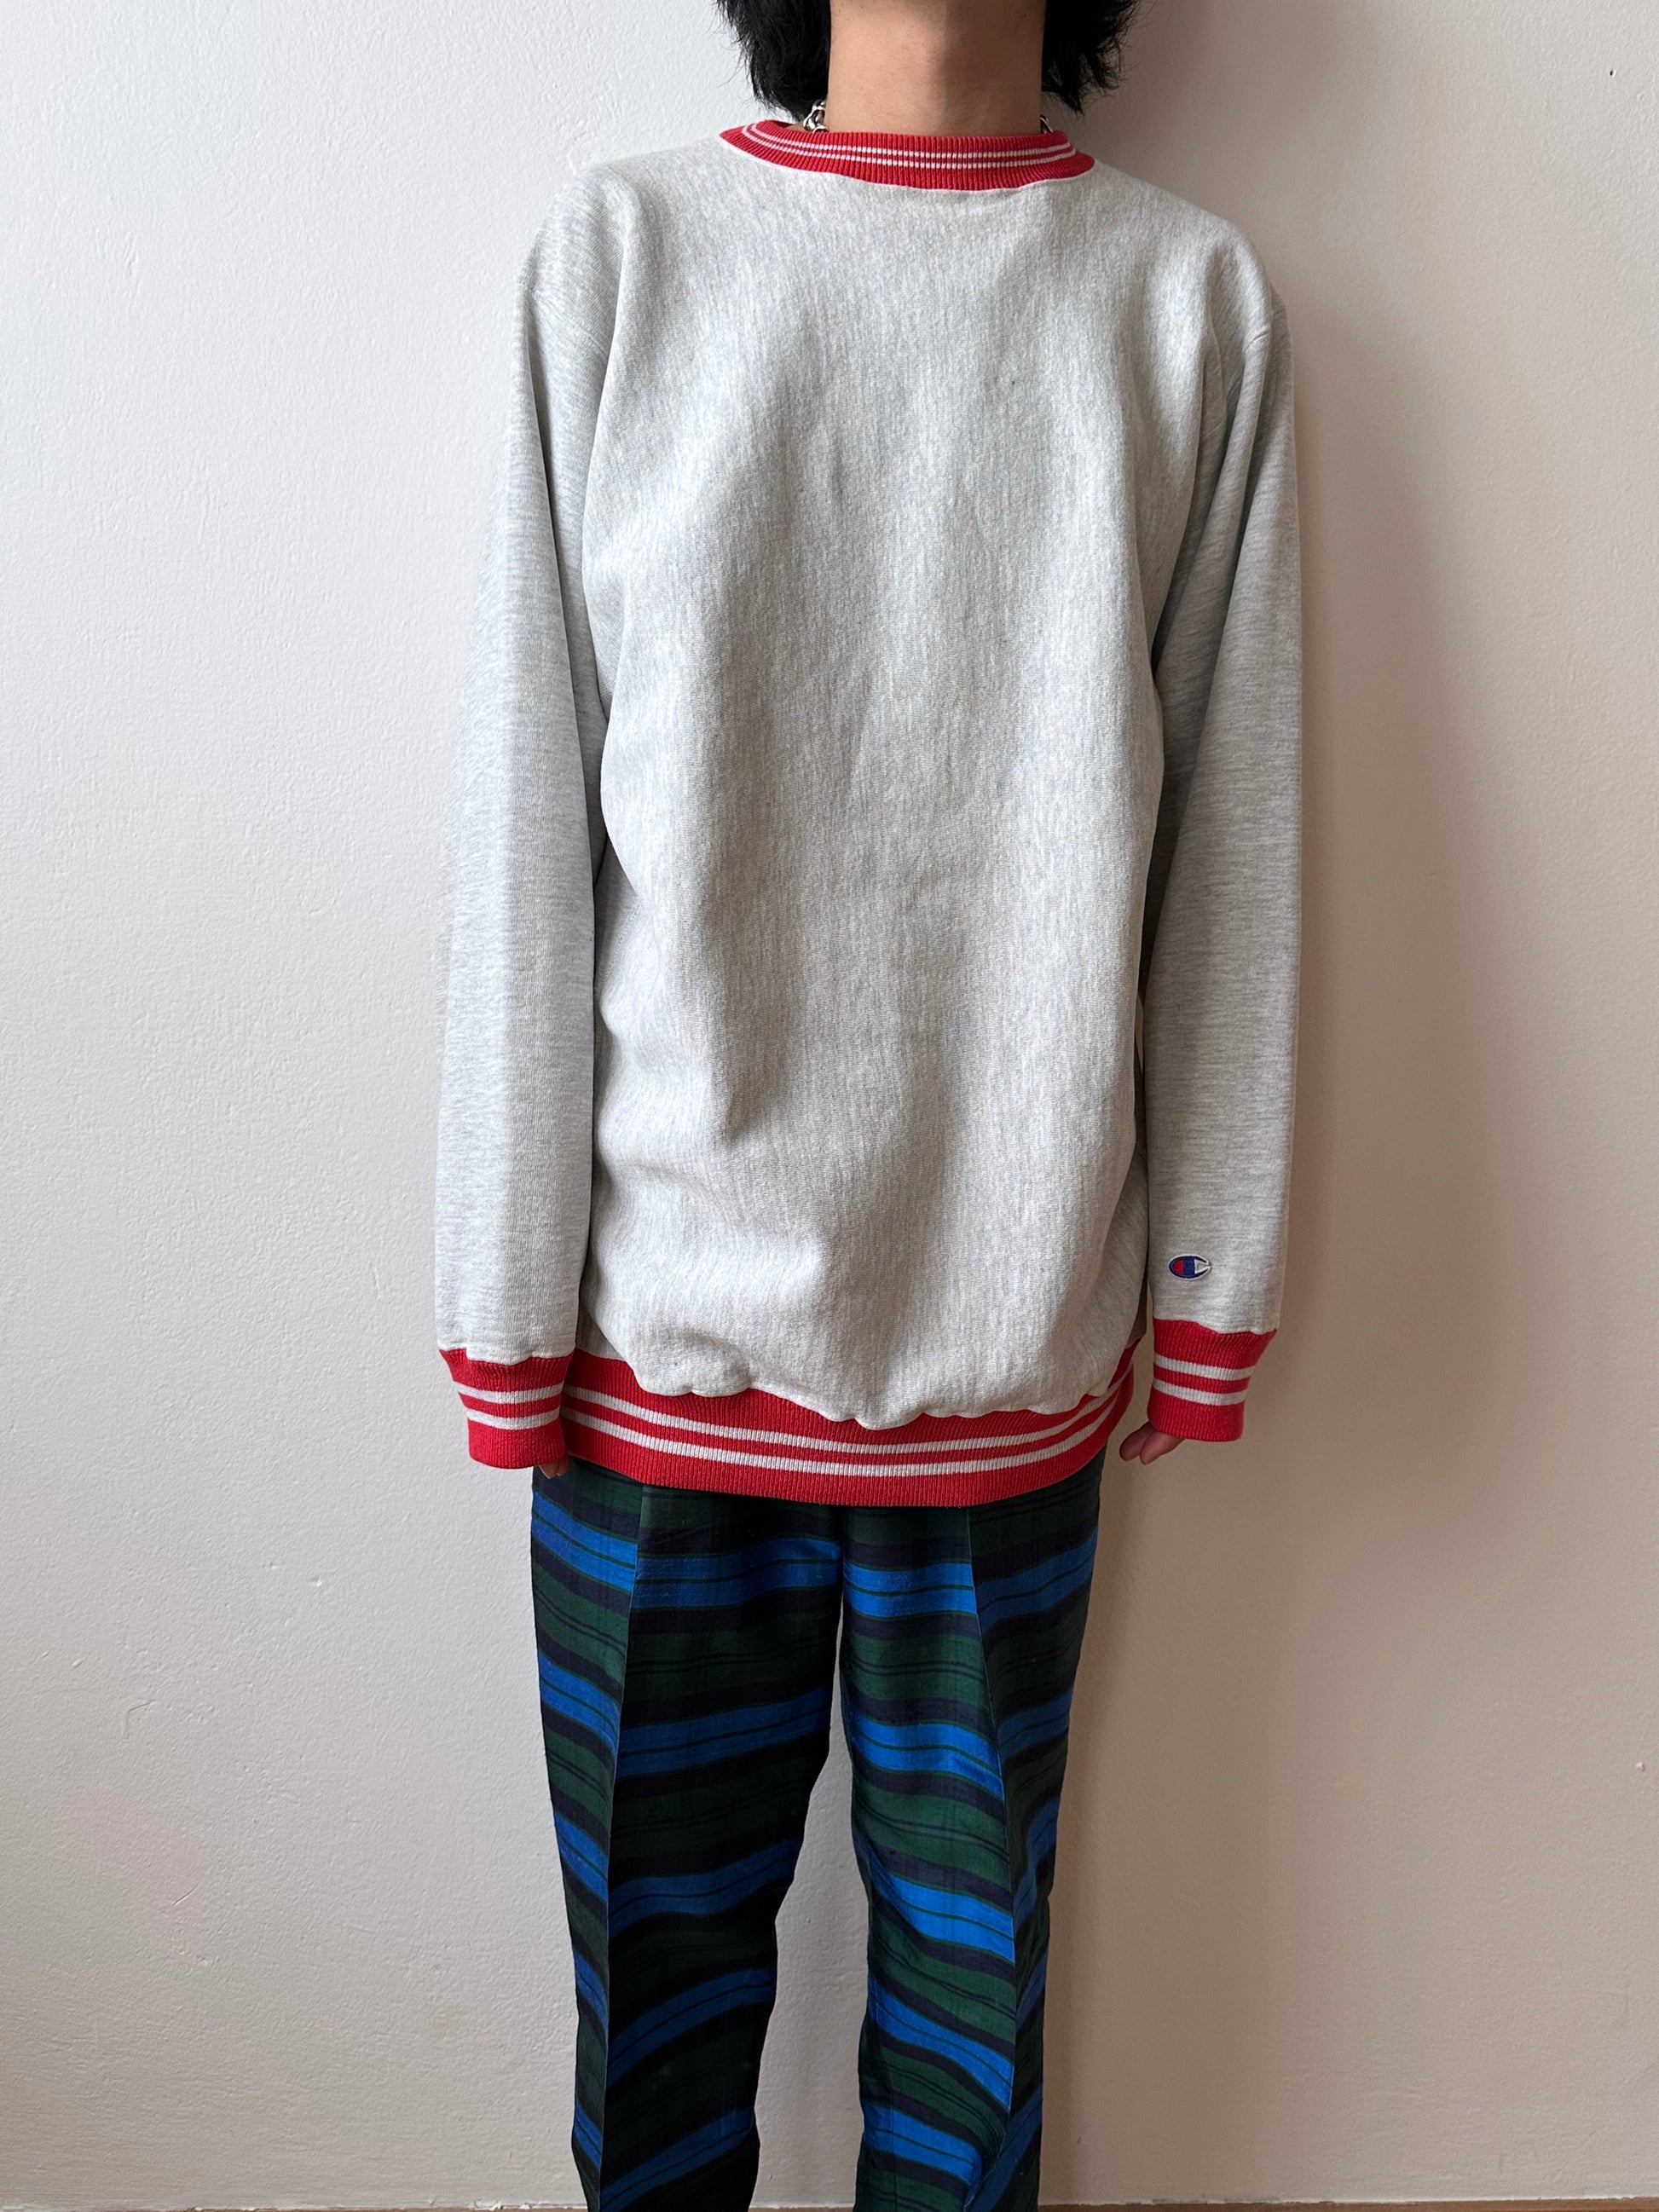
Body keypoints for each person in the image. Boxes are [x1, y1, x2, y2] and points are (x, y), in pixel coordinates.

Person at [433, 0, 1301, 2202]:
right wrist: (501, 1296)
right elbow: (525, 806)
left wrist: (1209, 1278)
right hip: (654, 1369)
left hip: (1007, 1349)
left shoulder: (1183, 304)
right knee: (647, 2045)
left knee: (969, 2061)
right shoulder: (622, 261)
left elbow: (1237, 835)